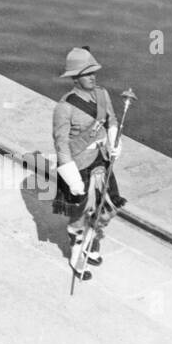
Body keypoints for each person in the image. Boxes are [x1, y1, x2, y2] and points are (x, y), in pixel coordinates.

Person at [52, 47, 124, 280]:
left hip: (102, 159)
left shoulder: (102, 95)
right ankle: (77, 252)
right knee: (81, 213)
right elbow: (61, 145)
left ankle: (89, 240)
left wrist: (114, 143)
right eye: (86, 74)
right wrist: (71, 178)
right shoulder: (65, 108)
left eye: (94, 72)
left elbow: (111, 121)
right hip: (80, 164)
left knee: (106, 208)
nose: (92, 77)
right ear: (75, 78)